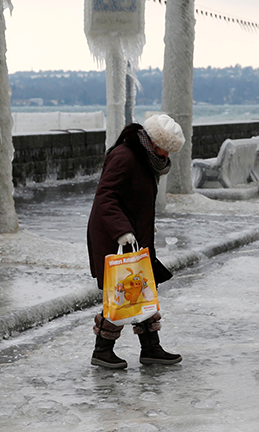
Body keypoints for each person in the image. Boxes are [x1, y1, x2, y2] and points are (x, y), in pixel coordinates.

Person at [86, 113, 184, 369]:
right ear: (153, 141)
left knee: (143, 289)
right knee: (121, 292)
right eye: (165, 150)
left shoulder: (143, 157)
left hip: (135, 238)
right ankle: (102, 351)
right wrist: (122, 232)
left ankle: (151, 348)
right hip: (116, 237)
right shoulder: (125, 156)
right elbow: (105, 197)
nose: (166, 156)